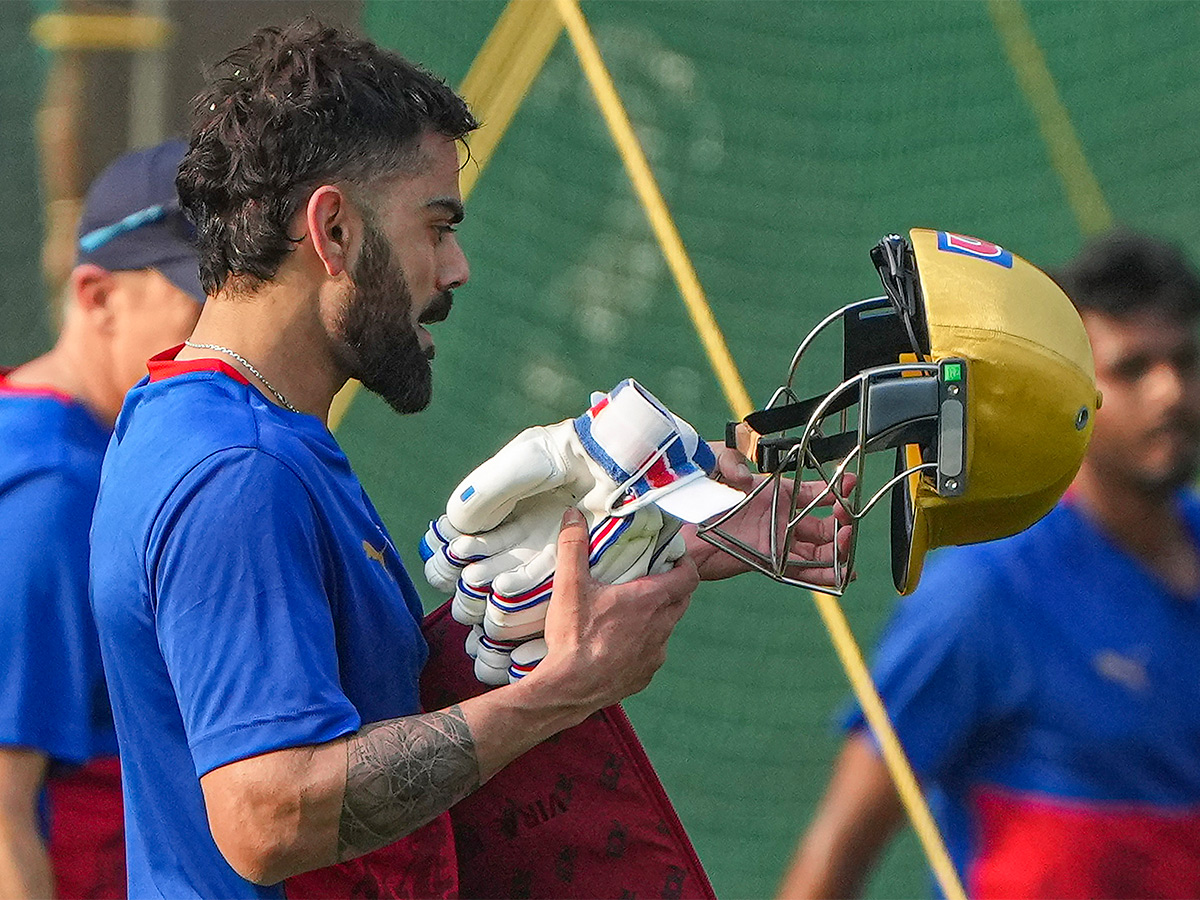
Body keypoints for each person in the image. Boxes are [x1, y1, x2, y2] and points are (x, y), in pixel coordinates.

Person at [88, 20, 849, 900]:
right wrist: (564, 689)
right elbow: (268, 816)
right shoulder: (240, 471)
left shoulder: (208, 421)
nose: (457, 268)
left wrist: (644, 539)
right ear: (332, 229)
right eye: (436, 225)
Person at [777, 229, 1200, 899]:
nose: (1171, 392)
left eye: (1185, 360)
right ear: (1070, 386)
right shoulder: (982, 593)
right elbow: (833, 856)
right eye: (1133, 368)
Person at [0, 140, 204, 900]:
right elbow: (3, 817)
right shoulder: (52, 495)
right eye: (197, 307)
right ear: (95, 297)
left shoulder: (51, 439)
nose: (218, 343)